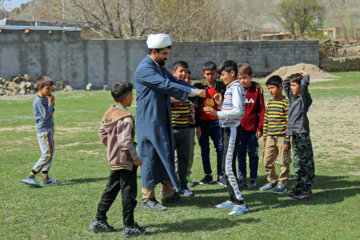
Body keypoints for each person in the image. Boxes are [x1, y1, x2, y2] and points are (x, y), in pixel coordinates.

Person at [134, 33, 205, 211]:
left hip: (162, 118)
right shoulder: (145, 68)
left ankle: (169, 193)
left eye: (167, 53)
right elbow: (166, 86)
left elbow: (175, 80)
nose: (167, 57)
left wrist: (197, 90)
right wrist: (194, 93)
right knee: (150, 157)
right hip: (149, 120)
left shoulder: (158, 66)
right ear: (154, 51)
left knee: (164, 154)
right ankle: (147, 198)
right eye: (164, 53)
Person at [89, 82, 145, 237]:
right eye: (132, 94)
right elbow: (126, 143)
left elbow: (102, 132)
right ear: (128, 97)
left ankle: (99, 220)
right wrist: (135, 159)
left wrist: (111, 147)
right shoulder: (126, 119)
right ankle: (129, 226)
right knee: (129, 193)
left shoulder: (110, 111)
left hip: (114, 159)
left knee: (111, 190)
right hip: (126, 161)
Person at [204, 60, 250, 216]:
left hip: (232, 130)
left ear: (232, 73)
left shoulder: (236, 87)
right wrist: (221, 104)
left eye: (223, 74)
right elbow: (231, 108)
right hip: (226, 130)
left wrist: (217, 113)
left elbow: (238, 112)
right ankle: (231, 198)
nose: (221, 78)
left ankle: (240, 202)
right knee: (225, 166)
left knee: (228, 167)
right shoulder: (231, 88)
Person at [22, 76, 60, 187]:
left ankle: (45, 177)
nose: (50, 91)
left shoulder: (45, 99)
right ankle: (30, 176)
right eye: (47, 88)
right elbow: (45, 116)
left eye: (51, 88)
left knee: (50, 154)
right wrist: (51, 104)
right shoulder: (38, 101)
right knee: (47, 154)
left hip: (49, 129)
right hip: (44, 130)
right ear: (40, 88)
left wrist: (50, 104)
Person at [283, 71, 315, 201]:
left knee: (305, 163)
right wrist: (292, 76)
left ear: (300, 86)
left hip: (302, 134)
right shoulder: (293, 99)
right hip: (294, 135)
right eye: (291, 86)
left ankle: (306, 190)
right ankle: (299, 187)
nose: (291, 88)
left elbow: (305, 85)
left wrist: (305, 76)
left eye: (294, 85)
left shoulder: (303, 99)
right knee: (297, 163)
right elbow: (284, 84)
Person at [193, 61, 226, 185]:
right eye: (207, 74)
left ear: (216, 73)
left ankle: (220, 175)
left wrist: (255, 84)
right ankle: (207, 175)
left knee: (220, 148)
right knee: (204, 149)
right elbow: (194, 105)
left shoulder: (222, 86)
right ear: (203, 73)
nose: (209, 77)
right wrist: (198, 125)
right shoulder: (198, 86)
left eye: (212, 74)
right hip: (203, 123)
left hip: (217, 122)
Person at [259, 75, 291, 194]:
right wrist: (265, 137)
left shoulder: (285, 103)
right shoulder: (270, 103)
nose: (270, 91)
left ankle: (282, 183)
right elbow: (266, 121)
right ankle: (272, 181)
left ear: (280, 87)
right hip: (270, 137)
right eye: (268, 88)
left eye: (272, 88)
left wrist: (287, 140)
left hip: (282, 137)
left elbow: (289, 123)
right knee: (267, 160)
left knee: (284, 161)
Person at [236, 63, 265, 188]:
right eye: (240, 78)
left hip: (253, 130)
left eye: (245, 77)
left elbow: (262, 111)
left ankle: (253, 178)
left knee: (253, 154)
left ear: (251, 76)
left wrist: (260, 128)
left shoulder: (257, 90)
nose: (243, 80)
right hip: (239, 130)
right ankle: (242, 178)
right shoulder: (236, 89)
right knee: (240, 155)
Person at [170, 61, 194, 197]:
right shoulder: (169, 87)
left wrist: (190, 116)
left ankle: (183, 185)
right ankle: (171, 186)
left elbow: (189, 104)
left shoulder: (186, 88)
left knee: (184, 159)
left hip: (185, 128)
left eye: (185, 71)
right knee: (170, 160)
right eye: (181, 71)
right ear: (174, 73)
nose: (184, 74)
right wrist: (173, 102)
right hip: (172, 129)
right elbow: (162, 101)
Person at [185, 70, 196, 188]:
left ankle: (187, 176)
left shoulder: (193, 92)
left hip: (191, 127)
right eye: (185, 78)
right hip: (178, 127)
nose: (188, 80)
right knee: (177, 155)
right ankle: (177, 178)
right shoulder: (175, 91)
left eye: (189, 78)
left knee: (190, 153)